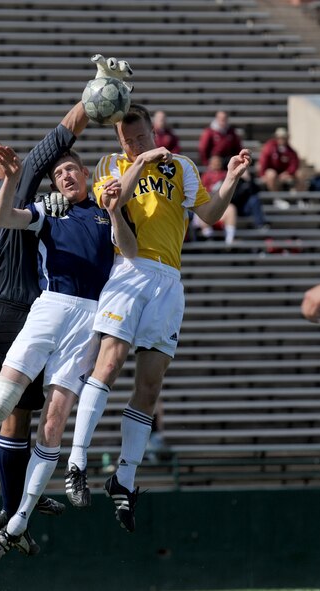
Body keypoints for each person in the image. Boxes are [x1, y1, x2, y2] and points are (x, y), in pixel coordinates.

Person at [0, 140, 137, 561]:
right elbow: (2, 216)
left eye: (71, 170)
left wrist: (112, 211)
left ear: (86, 174)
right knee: (1, 402)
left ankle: (17, 522)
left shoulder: (105, 211)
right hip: (49, 308)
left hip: (88, 322)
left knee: (52, 423)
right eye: (58, 173)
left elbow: (128, 252)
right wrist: (16, 180)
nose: (65, 176)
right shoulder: (49, 212)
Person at [65, 104, 251, 533]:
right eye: (126, 140)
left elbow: (210, 215)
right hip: (128, 269)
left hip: (169, 279)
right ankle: (77, 460)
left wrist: (232, 179)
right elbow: (118, 199)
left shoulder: (183, 165)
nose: (132, 145)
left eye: (140, 138)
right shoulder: (111, 165)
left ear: (153, 130)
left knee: (150, 385)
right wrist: (140, 160)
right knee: (107, 365)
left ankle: (124, 479)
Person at [0, 100, 92, 554]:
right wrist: (91, 99)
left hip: (0, 311)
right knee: (11, 411)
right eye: (8, 161)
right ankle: (9, 507)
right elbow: (55, 144)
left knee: (21, 413)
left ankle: (17, 500)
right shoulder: (7, 192)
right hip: (11, 310)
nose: (18, 162)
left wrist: (48, 204)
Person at [258, 127, 305, 209]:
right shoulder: (270, 147)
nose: (282, 139)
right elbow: (263, 162)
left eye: (284, 137)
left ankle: (299, 198)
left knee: (300, 174)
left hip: (285, 175)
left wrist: (288, 173)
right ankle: (277, 198)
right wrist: (262, 174)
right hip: (272, 174)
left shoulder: (290, 150)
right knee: (271, 174)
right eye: (280, 137)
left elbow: (294, 164)